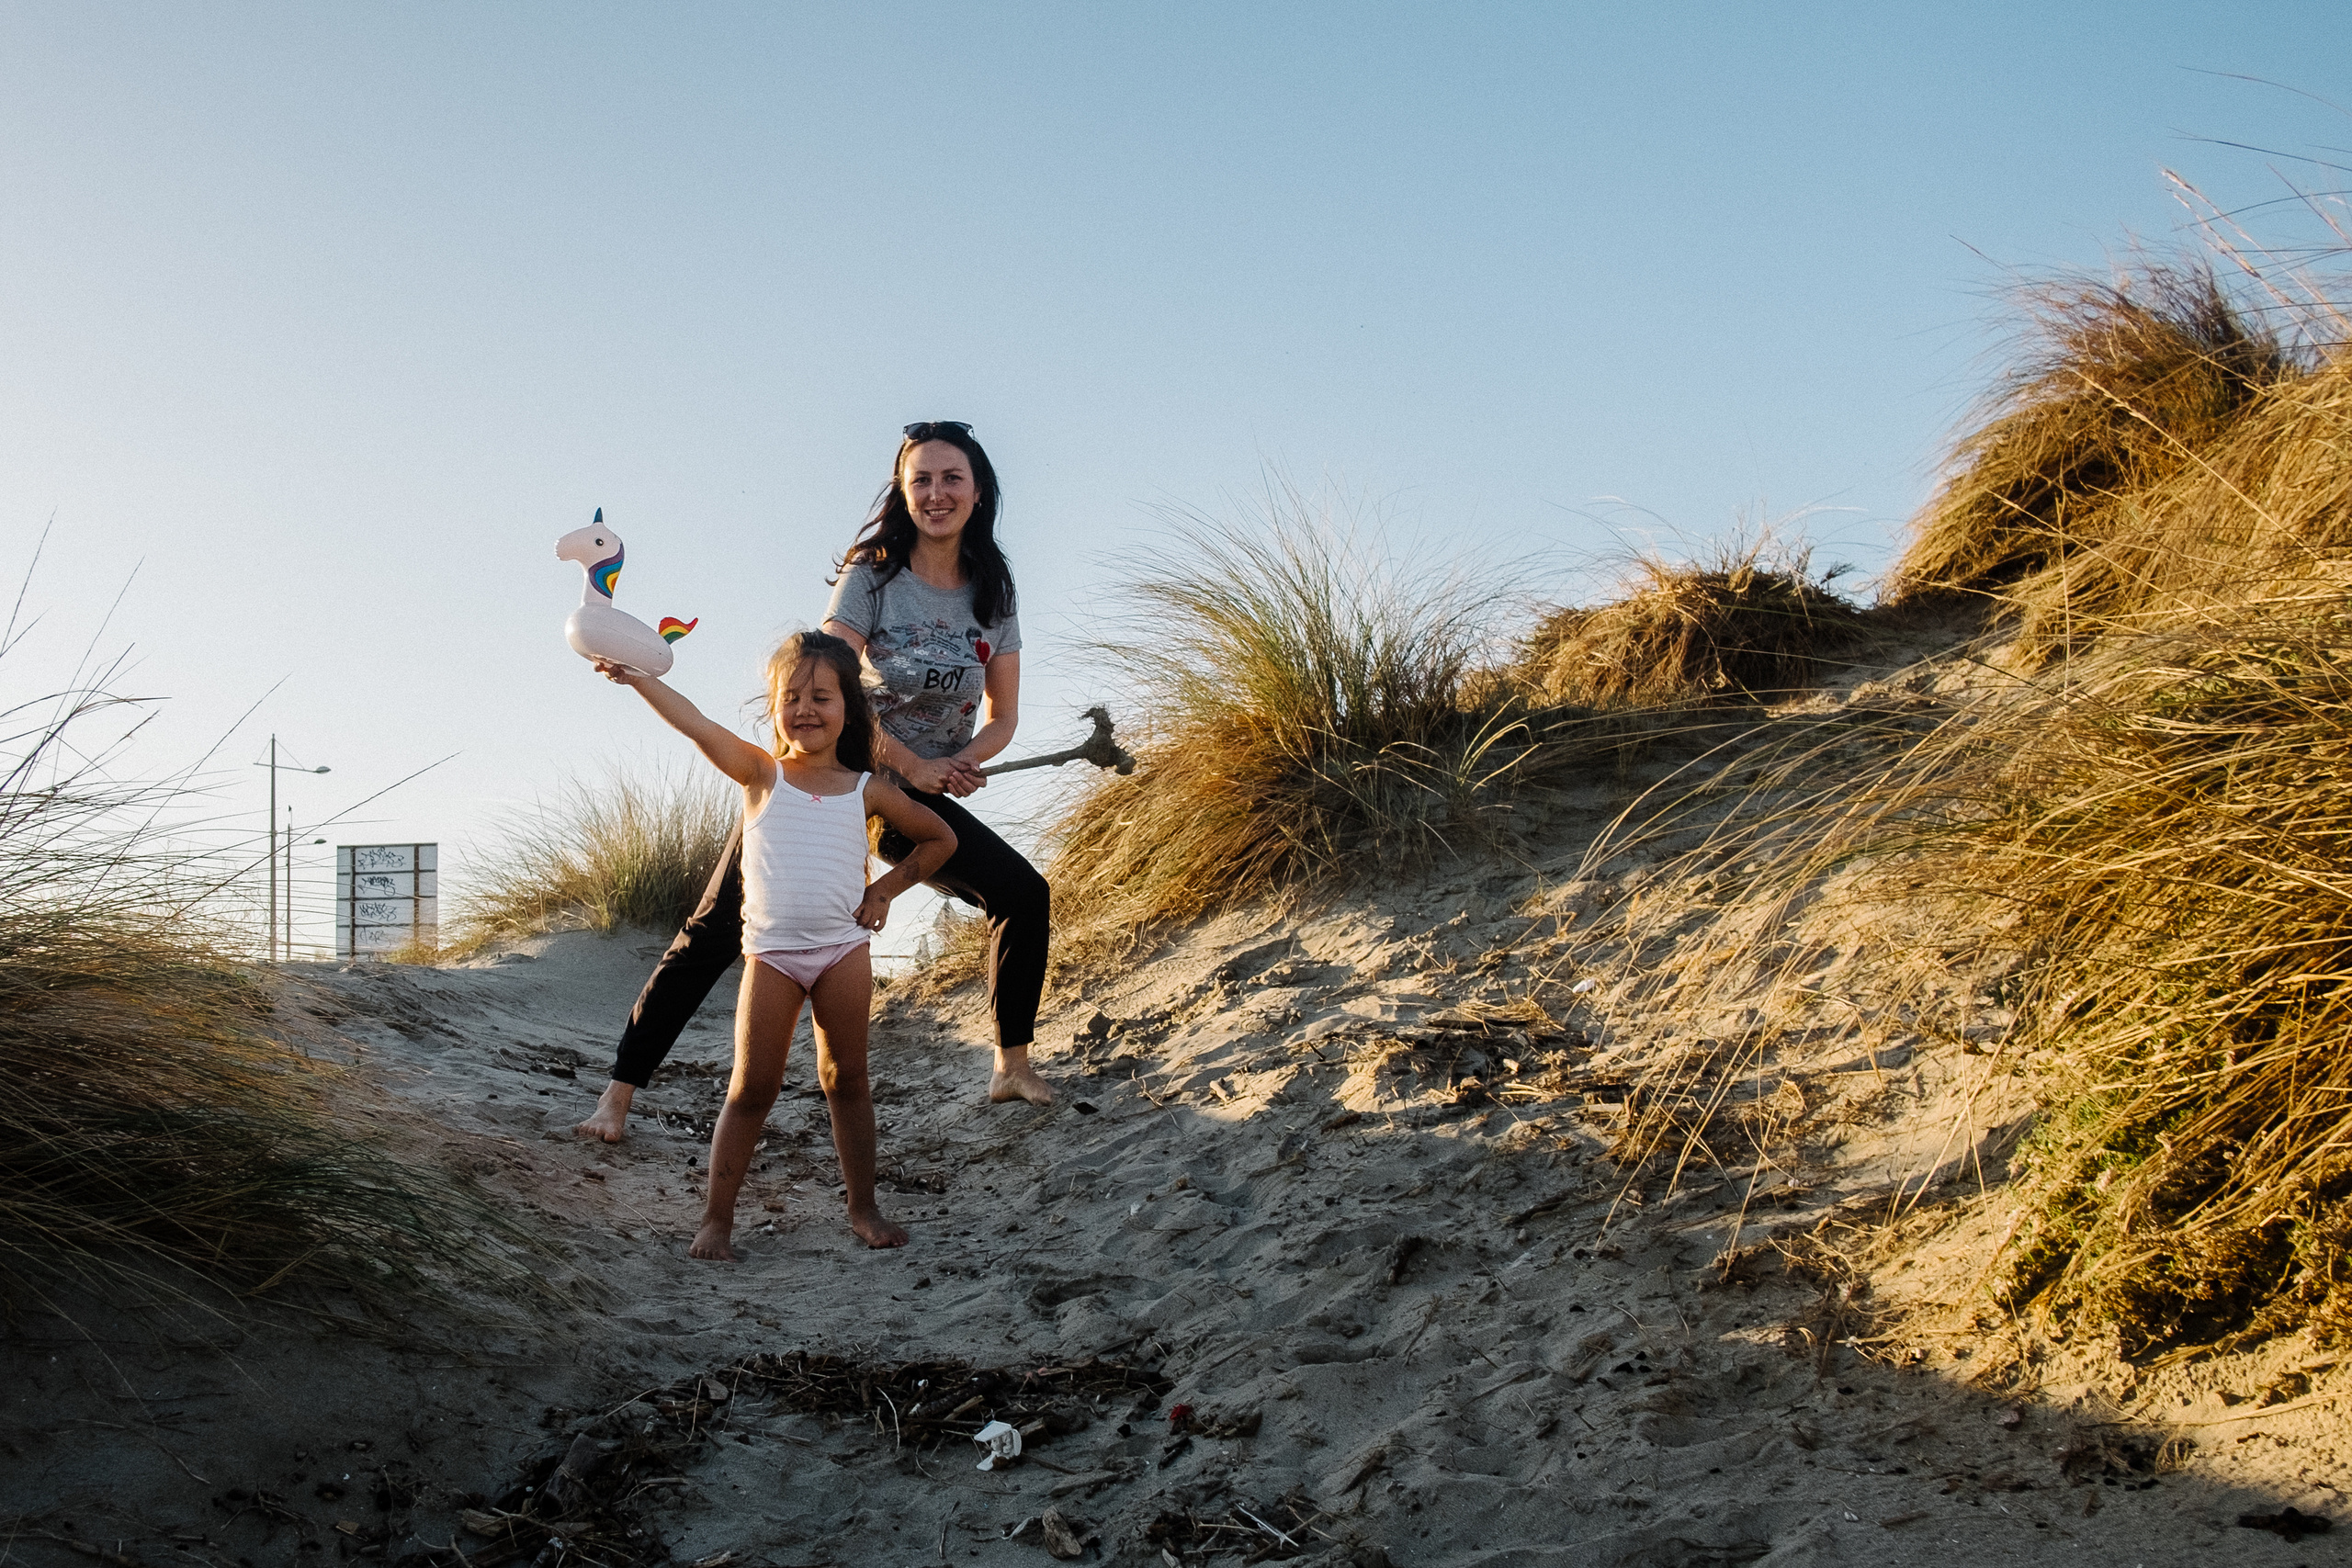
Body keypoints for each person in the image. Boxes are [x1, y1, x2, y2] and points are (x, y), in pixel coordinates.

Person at [575, 421, 1055, 1144]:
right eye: (920, 479)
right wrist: (910, 762)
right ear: (903, 489)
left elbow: (1004, 713)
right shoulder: (873, 575)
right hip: (828, 776)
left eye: (951, 477)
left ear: (978, 488)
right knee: (712, 930)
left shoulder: (995, 589)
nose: (936, 493)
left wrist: (964, 761)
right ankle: (617, 1096)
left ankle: (1010, 1066)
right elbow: (831, 679)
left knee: (1022, 894)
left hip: (910, 793)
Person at [590, 630, 956, 1258]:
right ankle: (717, 1218)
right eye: (792, 696)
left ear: (849, 709)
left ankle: (863, 1208)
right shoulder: (762, 774)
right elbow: (697, 725)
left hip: (843, 949)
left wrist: (885, 892)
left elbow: (939, 839)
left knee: (848, 1080)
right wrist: (638, 678)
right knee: (752, 1088)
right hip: (773, 956)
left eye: (822, 696)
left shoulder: (869, 788)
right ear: (774, 706)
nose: (806, 708)